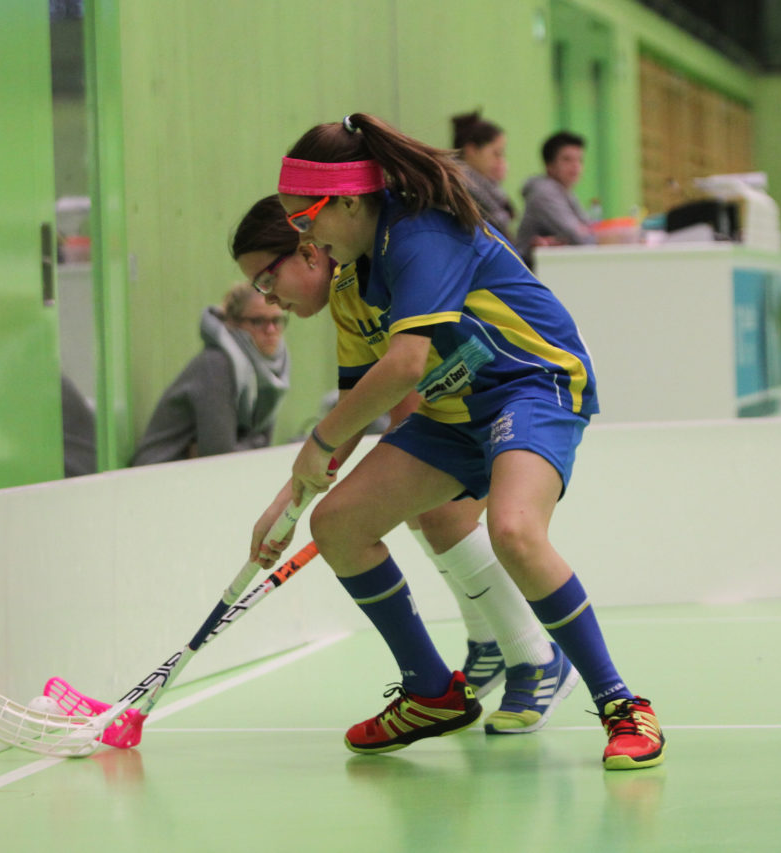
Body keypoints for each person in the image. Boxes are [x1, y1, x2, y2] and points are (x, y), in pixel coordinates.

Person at [247, 113, 663, 770]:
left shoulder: (421, 234)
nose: (308, 236)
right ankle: (430, 690)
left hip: (533, 383)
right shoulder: (353, 284)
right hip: (455, 410)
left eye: (307, 219)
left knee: (515, 528)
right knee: (338, 524)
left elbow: (406, 365)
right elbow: (361, 406)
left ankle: (621, 703)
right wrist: (289, 502)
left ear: (348, 201)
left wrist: (317, 441)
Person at [231, 195, 576, 735]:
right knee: (420, 513)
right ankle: (486, 643)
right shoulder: (349, 297)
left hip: (512, 392)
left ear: (309, 252)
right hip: (457, 404)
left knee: (443, 514)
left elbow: (410, 384)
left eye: (266, 280)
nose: (269, 299)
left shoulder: (400, 260)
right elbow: (352, 412)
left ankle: (534, 657)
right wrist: (286, 507)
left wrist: (392, 462)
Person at [131, 282, 289, 464]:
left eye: (277, 320)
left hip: (198, 474)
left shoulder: (269, 370)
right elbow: (218, 456)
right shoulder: (216, 365)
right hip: (158, 475)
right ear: (233, 323)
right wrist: (254, 444)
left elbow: (261, 445)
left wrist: (250, 445)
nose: (271, 330)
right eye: (258, 321)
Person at [514, 130, 598, 263]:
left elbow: (589, 230)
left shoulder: (564, 192)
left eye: (579, 160)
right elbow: (579, 237)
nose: (575, 166)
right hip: (531, 273)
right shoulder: (544, 192)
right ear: (549, 165)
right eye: (567, 159)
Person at [450, 110, 515, 240]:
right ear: (471, 150)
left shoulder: (480, 183)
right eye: (496, 153)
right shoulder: (463, 182)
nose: (500, 160)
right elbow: (498, 226)